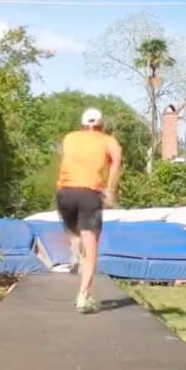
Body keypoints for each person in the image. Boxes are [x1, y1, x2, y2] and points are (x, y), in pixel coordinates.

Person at [56, 107, 123, 313]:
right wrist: (110, 190)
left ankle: (74, 241)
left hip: (64, 193)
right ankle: (84, 295)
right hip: (89, 195)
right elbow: (116, 162)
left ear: (83, 125)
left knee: (74, 231)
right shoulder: (108, 141)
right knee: (91, 245)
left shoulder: (69, 138)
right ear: (101, 125)